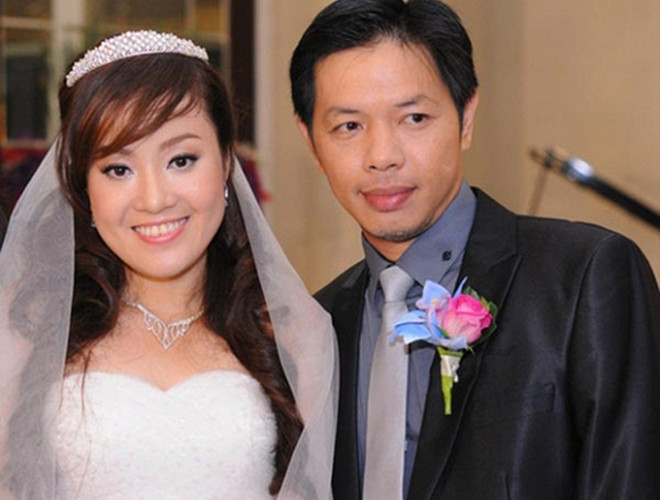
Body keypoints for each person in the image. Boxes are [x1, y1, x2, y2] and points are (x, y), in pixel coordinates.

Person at [289, 1, 660, 499]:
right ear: (311, 142)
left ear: (466, 118)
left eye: (414, 117)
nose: (382, 156)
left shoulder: (584, 278)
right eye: (349, 126)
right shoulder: (316, 328)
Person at [0, 31, 337, 499]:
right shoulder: (30, 326)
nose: (154, 199)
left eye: (181, 160)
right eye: (118, 169)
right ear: (83, 186)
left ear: (226, 163)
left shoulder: (292, 333)